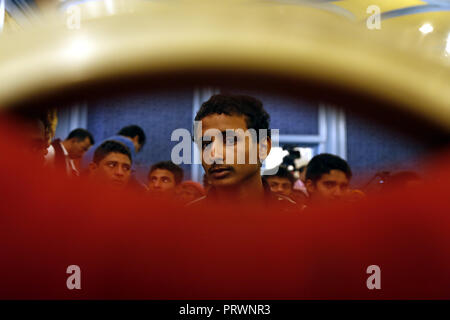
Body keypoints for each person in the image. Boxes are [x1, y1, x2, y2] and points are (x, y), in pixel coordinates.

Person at [188, 93, 296, 210]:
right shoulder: (184, 221)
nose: (214, 155)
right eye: (205, 144)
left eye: (229, 140)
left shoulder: (297, 219)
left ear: (263, 148)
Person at [81, 125, 146, 172]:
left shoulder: (105, 142)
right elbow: (131, 174)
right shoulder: (128, 142)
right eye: (138, 149)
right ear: (136, 138)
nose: (135, 152)